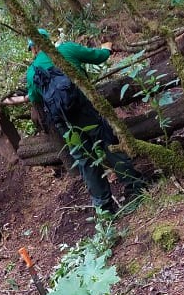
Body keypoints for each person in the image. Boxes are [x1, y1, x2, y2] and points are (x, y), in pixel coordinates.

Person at [26, 31, 148, 214]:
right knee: (107, 145)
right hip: (85, 110)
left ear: (32, 48)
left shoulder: (32, 71)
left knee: (85, 160)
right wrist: (106, 49)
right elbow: (97, 57)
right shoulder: (66, 49)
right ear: (47, 40)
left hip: (65, 122)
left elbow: (35, 98)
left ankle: (104, 208)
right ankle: (135, 186)